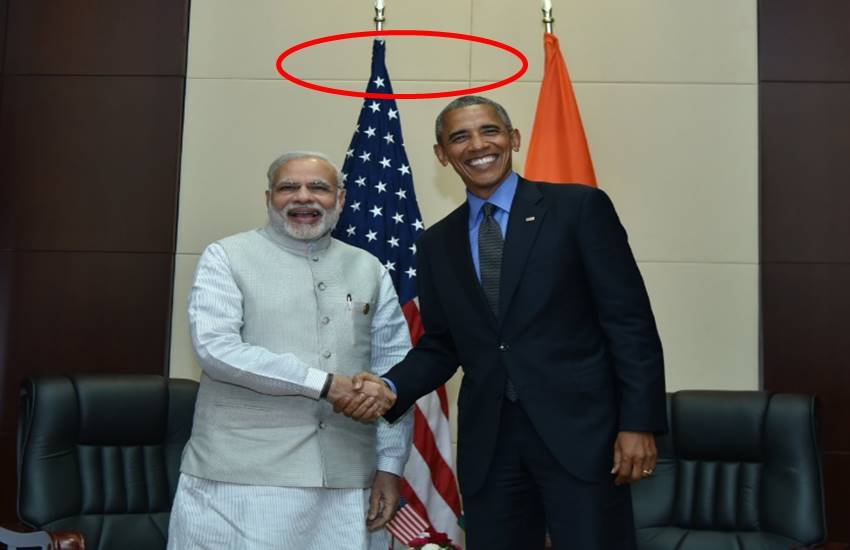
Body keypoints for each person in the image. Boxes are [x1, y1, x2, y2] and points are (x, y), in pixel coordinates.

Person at [342, 96, 667, 549]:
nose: (478, 145)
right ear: (442, 154)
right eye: (460, 137)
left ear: (513, 139)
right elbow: (442, 345)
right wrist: (390, 387)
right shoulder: (437, 244)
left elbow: (629, 322)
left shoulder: (578, 209)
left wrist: (638, 423)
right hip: (491, 447)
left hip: (583, 437)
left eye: (489, 131)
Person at [167, 151, 411, 550]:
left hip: (349, 479)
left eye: (318, 187)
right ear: (269, 198)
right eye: (288, 187)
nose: (303, 197)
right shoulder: (226, 256)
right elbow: (216, 348)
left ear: (340, 199)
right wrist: (324, 384)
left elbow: (394, 371)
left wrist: (389, 465)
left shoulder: (368, 267)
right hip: (242, 480)